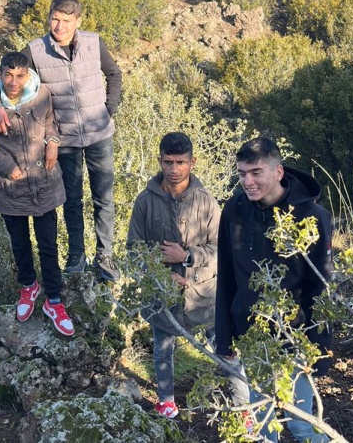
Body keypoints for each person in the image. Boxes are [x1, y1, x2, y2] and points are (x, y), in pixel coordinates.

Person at [0, 0, 123, 282]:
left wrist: (109, 109)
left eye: (67, 21)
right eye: (55, 19)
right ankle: (76, 256)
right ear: (49, 18)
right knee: (72, 199)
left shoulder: (94, 43)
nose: (59, 26)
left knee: (103, 197)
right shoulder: (36, 50)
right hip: (65, 139)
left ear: (78, 22)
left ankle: (105, 256)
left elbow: (114, 74)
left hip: (99, 134)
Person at [214, 137, 333, 442]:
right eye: (241, 173)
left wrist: (319, 348)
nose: (247, 181)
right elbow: (226, 274)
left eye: (255, 172)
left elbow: (320, 285)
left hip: (295, 336)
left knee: (302, 423)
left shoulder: (312, 217)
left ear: (278, 171)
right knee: (263, 419)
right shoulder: (234, 209)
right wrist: (224, 338)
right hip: (252, 336)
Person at [0, 52, 75, 337]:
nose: (14, 81)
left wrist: (53, 142)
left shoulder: (42, 94)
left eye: (20, 75)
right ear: (0, 75)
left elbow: (52, 123)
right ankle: (29, 287)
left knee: (49, 246)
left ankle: (54, 300)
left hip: (45, 184)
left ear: (28, 74)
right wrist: (7, 167)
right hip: (12, 191)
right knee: (20, 244)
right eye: (8, 75)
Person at [127, 132, 220, 419]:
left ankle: (244, 406)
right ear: (160, 161)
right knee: (162, 350)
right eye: (168, 161)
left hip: (204, 295)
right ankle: (166, 401)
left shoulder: (207, 202)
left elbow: (222, 250)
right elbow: (134, 249)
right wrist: (158, 275)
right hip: (160, 296)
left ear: (192, 162)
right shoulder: (144, 201)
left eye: (181, 162)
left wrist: (188, 256)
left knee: (224, 350)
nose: (174, 169)